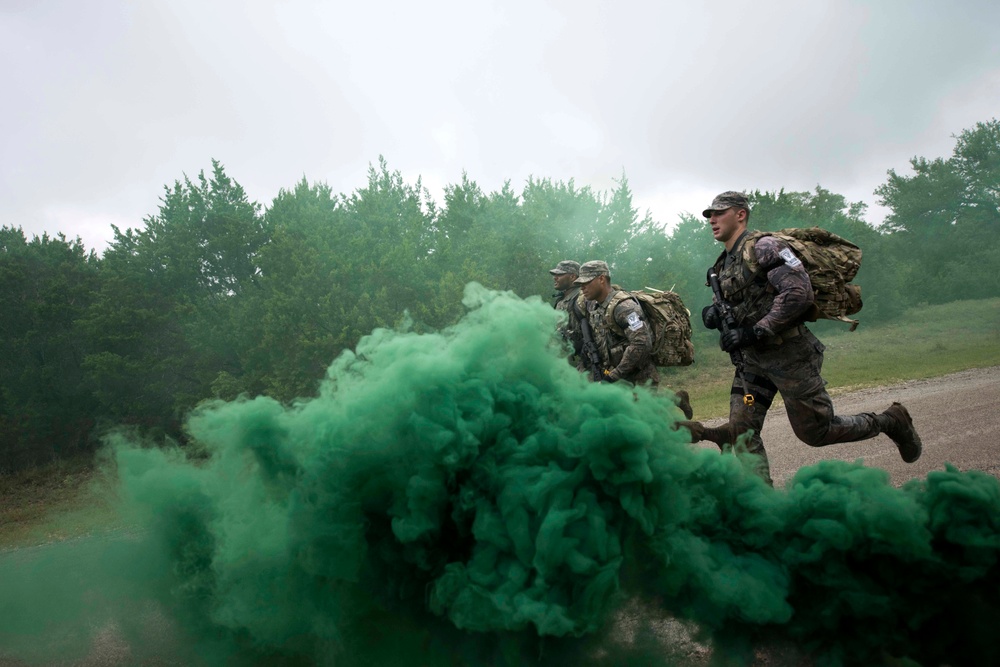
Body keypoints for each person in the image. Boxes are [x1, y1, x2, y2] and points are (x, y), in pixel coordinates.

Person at [695, 191, 922, 485]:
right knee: (742, 431)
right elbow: (745, 302)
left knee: (817, 432)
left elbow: (798, 293)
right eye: (709, 214)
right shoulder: (723, 264)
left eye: (719, 212)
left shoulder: (765, 247)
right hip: (753, 361)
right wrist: (714, 314)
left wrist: (755, 330)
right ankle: (761, 505)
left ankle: (891, 421)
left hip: (790, 354)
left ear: (741, 214)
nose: (712, 219)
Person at [573, 260, 693, 419]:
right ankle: (676, 399)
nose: (582, 287)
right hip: (614, 376)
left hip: (639, 379)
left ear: (601, 279)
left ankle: (693, 424)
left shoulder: (625, 307)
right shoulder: (592, 305)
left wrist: (613, 376)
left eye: (586, 282)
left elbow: (641, 343)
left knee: (649, 428)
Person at [549, 260, 584, 361]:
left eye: (559, 275)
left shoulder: (582, 298)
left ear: (573, 277)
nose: (555, 278)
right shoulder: (561, 299)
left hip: (582, 359)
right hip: (563, 358)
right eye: (554, 274)